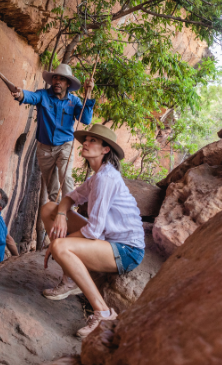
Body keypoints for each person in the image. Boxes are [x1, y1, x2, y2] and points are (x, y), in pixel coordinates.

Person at [40, 124, 145, 337]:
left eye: (92, 141)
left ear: (106, 150)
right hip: (107, 240)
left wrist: (59, 244)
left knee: (60, 246)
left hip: (126, 250)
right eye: (85, 140)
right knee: (49, 208)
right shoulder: (97, 176)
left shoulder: (106, 178)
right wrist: (61, 215)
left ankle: (103, 312)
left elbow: (94, 230)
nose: (85, 143)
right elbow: (70, 197)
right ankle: (70, 280)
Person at [11, 63, 95, 245]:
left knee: (66, 178)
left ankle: (69, 214)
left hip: (65, 145)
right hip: (44, 149)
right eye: (55, 78)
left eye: (62, 79)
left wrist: (89, 96)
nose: (57, 81)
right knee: (52, 189)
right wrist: (20, 94)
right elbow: (30, 96)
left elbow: (86, 119)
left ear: (67, 84)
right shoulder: (43, 95)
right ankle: (59, 226)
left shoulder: (74, 101)